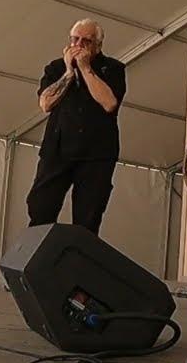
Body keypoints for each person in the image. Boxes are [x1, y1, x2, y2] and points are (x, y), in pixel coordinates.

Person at [26, 18, 126, 235]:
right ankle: (37, 265)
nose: (78, 46)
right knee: (41, 208)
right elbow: (45, 103)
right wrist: (69, 73)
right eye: (75, 40)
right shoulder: (55, 68)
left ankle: (78, 265)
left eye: (86, 41)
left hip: (96, 153)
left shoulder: (114, 69)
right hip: (57, 149)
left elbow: (109, 103)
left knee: (87, 219)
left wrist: (85, 67)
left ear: (98, 45)